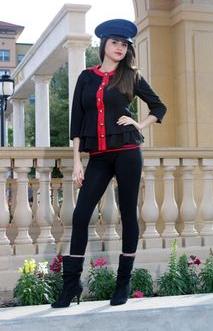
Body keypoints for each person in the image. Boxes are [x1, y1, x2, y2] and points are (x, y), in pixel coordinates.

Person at [51, 19, 167, 308]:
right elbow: (77, 121)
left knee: (128, 213)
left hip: (128, 151)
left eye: (124, 44)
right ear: (103, 44)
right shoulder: (86, 77)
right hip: (98, 157)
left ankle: (123, 283)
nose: (119, 48)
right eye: (115, 42)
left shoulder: (131, 76)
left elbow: (159, 106)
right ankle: (71, 286)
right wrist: (77, 161)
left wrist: (139, 124)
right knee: (80, 216)